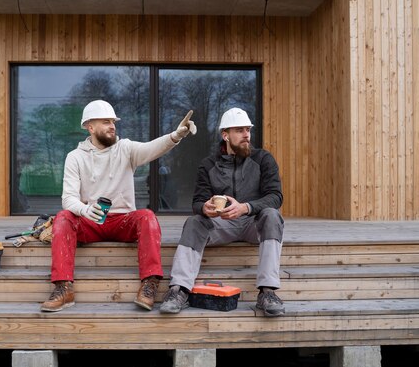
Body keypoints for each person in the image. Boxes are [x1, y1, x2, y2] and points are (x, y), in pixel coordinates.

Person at [41, 100, 196, 312]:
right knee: (63, 217)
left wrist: (176, 135)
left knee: (147, 216)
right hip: (90, 221)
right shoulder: (75, 157)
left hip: (123, 222)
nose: (112, 126)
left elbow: (152, 148)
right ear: (90, 126)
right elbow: (68, 198)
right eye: (106, 122)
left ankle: (149, 284)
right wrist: (85, 210)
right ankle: (63, 288)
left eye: (113, 122)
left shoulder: (126, 149)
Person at [160, 107, 285, 317]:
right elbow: (197, 202)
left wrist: (246, 207)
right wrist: (205, 208)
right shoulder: (208, 165)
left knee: (272, 215)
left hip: (252, 223)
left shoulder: (263, 159)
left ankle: (268, 292)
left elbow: (275, 196)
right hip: (221, 225)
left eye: (248, 129)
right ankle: (179, 290)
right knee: (194, 222)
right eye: (239, 130)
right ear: (225, 135)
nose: (246, 134)